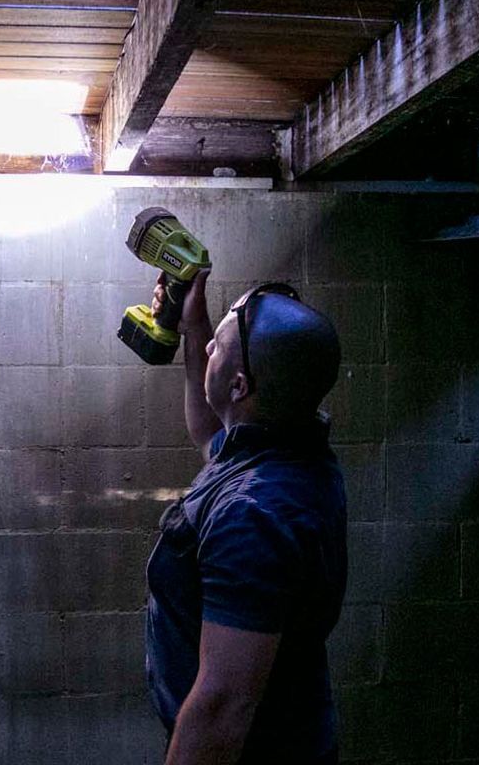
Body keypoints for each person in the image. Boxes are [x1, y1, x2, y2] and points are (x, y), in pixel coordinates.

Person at [144, 269, 348, 765]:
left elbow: (222, 708)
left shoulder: (254, 515)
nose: (208, 348)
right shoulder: (285, 448)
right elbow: (208, 431)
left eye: (216, 346)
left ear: (239, 387)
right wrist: (194, 325)